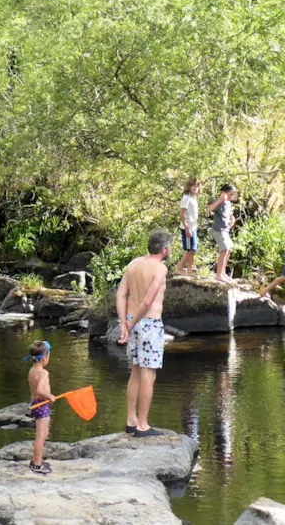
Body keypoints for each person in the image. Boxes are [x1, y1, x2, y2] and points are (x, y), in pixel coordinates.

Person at [117, 229, 171, 437]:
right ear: (164, 249)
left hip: (133, 322)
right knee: (149, 374)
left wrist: (125, 322)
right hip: (149, 324)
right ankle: (142, 425)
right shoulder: (160, 268)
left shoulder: (133, 264)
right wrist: (132, 323)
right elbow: (148, 300)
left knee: (135, 372)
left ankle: (130, 420)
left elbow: (121, 295)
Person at [25, 340, 56, 474]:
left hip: (35, 404)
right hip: (42, 405)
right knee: (41, 435)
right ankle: (37, 464)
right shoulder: (43, 373)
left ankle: (36, 459)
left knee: (43, 433)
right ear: (44, 357)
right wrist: (50, 396)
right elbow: (40, 391)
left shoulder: (32, 370)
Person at [207, 184, 238, 283]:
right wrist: (220, 200)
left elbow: (228, 215)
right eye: (230, 194)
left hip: (225, 230)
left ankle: (223, 273)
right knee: (224, 250)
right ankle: (219, 275)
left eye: (233, 194)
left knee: (229, 249)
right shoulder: (220, 202)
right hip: (218, 230)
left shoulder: (228, 203)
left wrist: (231, 219)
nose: (232, 197)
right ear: (223, 193)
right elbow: (209, 209)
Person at [175, 177, 202, 276]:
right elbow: (181, 214)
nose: (195, 187)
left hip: (193, 226)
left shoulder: (193, 197)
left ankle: (190, 270)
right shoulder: (186, 197)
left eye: (197, 186)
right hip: (187, 228)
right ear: (189, 186)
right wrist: (187, 228)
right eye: (193, 185)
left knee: (193, 249)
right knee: (190, 249)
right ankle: (179, 268)